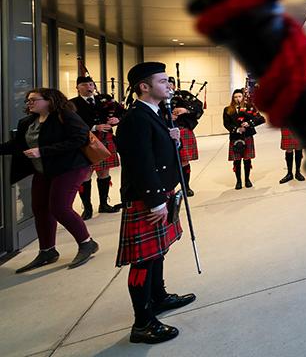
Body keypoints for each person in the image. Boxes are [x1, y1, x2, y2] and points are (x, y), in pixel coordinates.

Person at [116, 62, 194, 344]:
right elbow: (140, 163)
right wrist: (155, 201)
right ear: (144, 87)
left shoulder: (155, 113)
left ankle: (158, 297)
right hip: (147, 199)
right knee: (142, 261)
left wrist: (172, 139)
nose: (169, 85)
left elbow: (156, 151)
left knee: (157, 253)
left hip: (161, 194)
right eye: (163, 81)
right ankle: (142, 322)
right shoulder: (135, 118)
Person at [1, 88, 98, 273]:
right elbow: (17, 145)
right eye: (27, 101)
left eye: (33, 100)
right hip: (44, 171)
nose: (29, 103)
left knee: (60, 208)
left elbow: (80, 138)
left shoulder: (65, 116)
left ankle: (87, 243)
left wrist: (43, 151)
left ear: (49, 100)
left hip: (70, 167)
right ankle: (47, 251)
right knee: (40, 209)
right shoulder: (27, 122)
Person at [70, 76, 122, 219]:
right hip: (86, 141)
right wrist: (94, 127)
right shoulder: (72, 104)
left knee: (104, 172)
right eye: (85, 85)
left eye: (91, 84)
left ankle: (104, 204)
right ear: (77, 87)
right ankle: (87, 208)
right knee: (85, 175)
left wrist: (117, 119)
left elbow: (121, 111)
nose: (89, 87)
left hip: (106, 139)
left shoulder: (104, 100)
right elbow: (71, 124)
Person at [223, 89, 266, 190]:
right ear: (232, 98)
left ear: (243, 97)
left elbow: (260, 119)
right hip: (235, 137)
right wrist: (237, 129)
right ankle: (238, 181)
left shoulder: (249, 107)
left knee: (247, 159)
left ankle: (247, 179)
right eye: (235, 97)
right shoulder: (228, 109)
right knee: (237, 161)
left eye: (239, 96)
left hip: (247, 136)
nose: (237, 99)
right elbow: (226, 123)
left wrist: (249, 123)